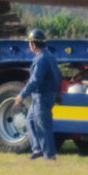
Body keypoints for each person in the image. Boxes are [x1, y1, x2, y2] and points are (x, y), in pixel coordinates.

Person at [14, 28, 63, 160]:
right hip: (41, 96)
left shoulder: (41, 60)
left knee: (43, 126)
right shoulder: (49, 57)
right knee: (30, 120)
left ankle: (49, 155)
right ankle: (37, 149)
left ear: (33, 45)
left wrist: (22, 95)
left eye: (29, 43)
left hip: (42, 96)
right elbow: (59, 75)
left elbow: (35, 80)